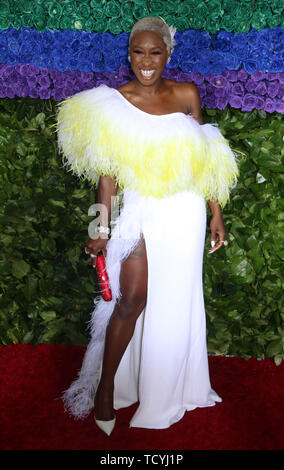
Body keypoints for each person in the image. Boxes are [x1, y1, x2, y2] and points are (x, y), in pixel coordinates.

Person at [57, 17, 238, 435]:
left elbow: (205, 159)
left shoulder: (187, 94)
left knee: (175, 300)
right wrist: (101, 226)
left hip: (184, 211)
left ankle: (163, 391)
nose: (146, 61)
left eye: (155, 52)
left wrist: (216, 212)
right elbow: (106, 176)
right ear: (129, 55)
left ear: (168, 55)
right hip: (139, 211)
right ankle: (107, 389)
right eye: (138, 52)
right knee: (131, 298)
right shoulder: (115, 102)